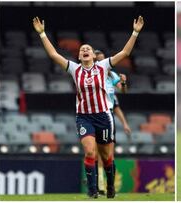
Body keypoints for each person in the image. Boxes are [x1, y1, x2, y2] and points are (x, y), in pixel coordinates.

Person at [32, 16, 144, 198]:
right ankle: (92, 190)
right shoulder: (74, 69)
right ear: (79, 55)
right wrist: (43, 34)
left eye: (88, 49)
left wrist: (135, 32)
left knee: (107, 157)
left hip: (103, 116)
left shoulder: (103, 66)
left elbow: (124, 53)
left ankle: (110, 186)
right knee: (90, 151)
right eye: (82, 49)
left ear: (93, 55)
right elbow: (54, 55)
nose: (85, 50)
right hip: (84, 117)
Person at [94, 49, 132, 195]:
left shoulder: (111, 75)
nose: (104, 63)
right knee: (95, 152)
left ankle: (109, 185)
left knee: (109, 153)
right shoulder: (91, 76)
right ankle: (99, 185)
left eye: (105, 59)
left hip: (108, 117)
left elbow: (122, 93)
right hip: (93, 114)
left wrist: (123, 83)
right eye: (99, 60)